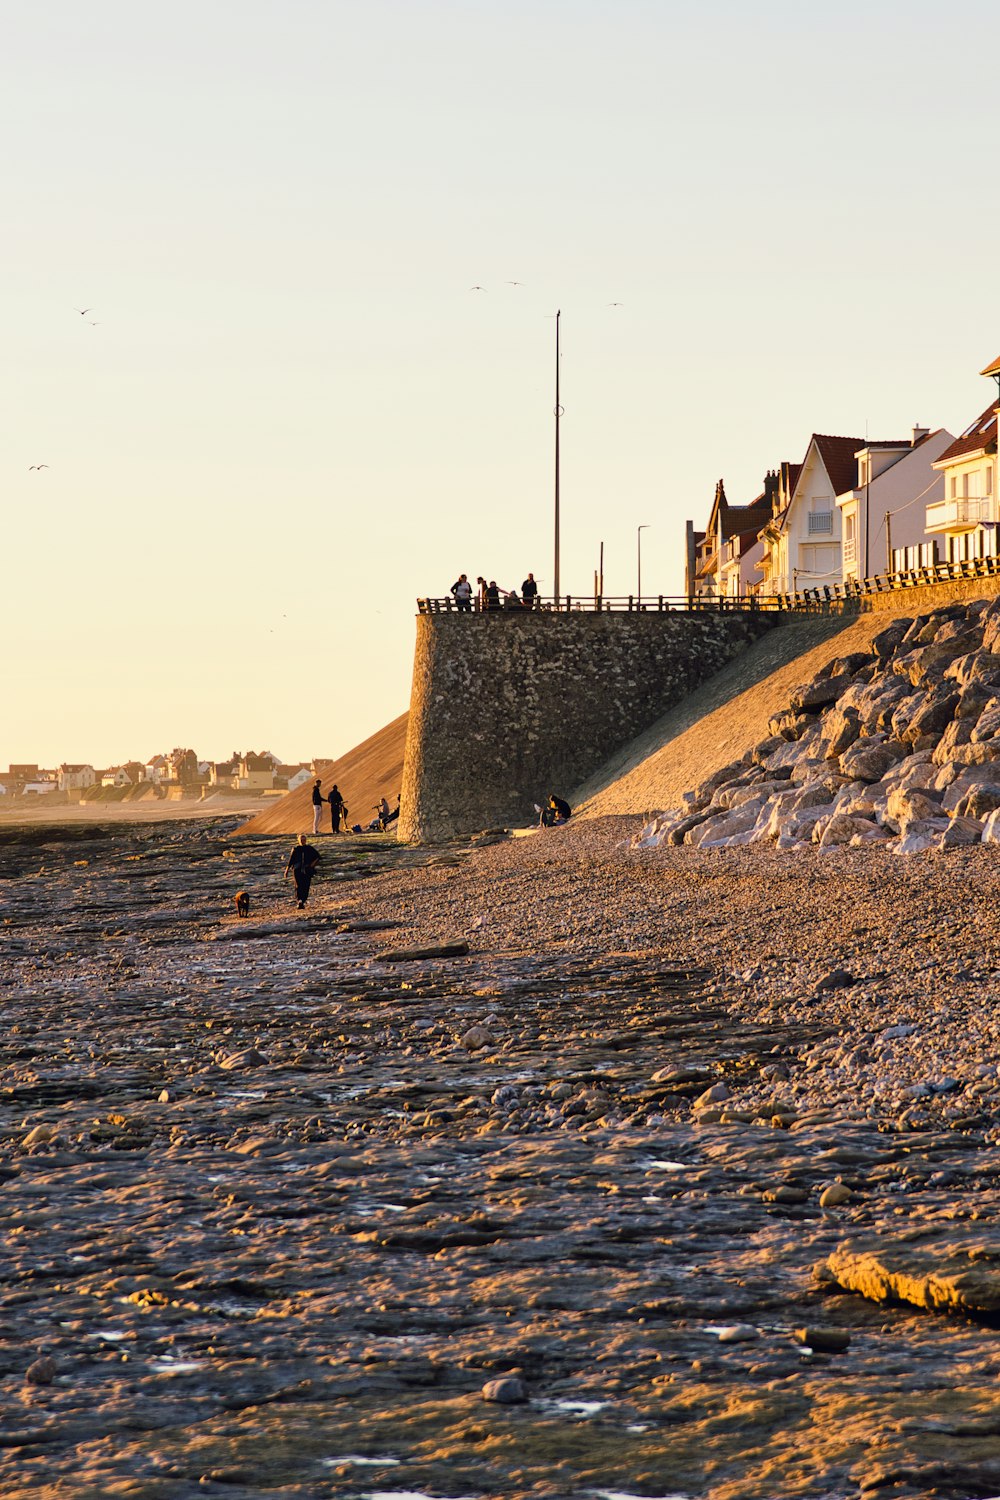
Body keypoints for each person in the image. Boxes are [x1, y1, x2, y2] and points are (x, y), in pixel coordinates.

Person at [284, 833, 321, 908]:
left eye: (304, 839)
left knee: (306, 885)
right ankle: (299, 901)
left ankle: (303, 900)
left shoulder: (309, 848)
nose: (302, 841)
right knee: (298, 885)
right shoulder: (296, 849)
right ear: (298, 840)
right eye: (301, 839)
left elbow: (318, 857)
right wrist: (286, 870)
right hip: (297, 870)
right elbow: (291, 861)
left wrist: (312, 865)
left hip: (307, 870)